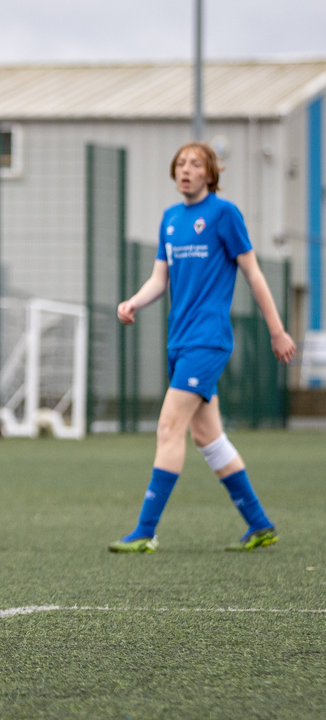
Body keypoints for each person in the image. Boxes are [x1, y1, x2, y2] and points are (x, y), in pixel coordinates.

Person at [108, 141, 295, 554]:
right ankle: (260, 524)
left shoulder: (224, 215)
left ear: (210, 174)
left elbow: (254, 275)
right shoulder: (171, 219)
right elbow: (160, 278)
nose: (186, 170)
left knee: (168, 427)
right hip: (180, 341)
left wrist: (277, 330)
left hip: (207, 341)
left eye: (195, 164)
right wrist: (134, 302)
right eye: (180, 164)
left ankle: (144, 531)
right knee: (208, 438)